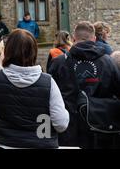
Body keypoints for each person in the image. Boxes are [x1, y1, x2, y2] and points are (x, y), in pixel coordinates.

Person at [0, 29, 69, 149]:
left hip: (6, 144)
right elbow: (61, 124)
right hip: (42, 143)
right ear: (34, 51)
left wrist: (1, 61)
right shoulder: (48, 82)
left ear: (7, 51)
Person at [49, 21, 120, 149]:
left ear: (74, 38)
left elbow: (48, 97)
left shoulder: (59, 63)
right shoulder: (108, 62)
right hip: (100, 131)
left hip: (67, 132)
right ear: (94, 39)